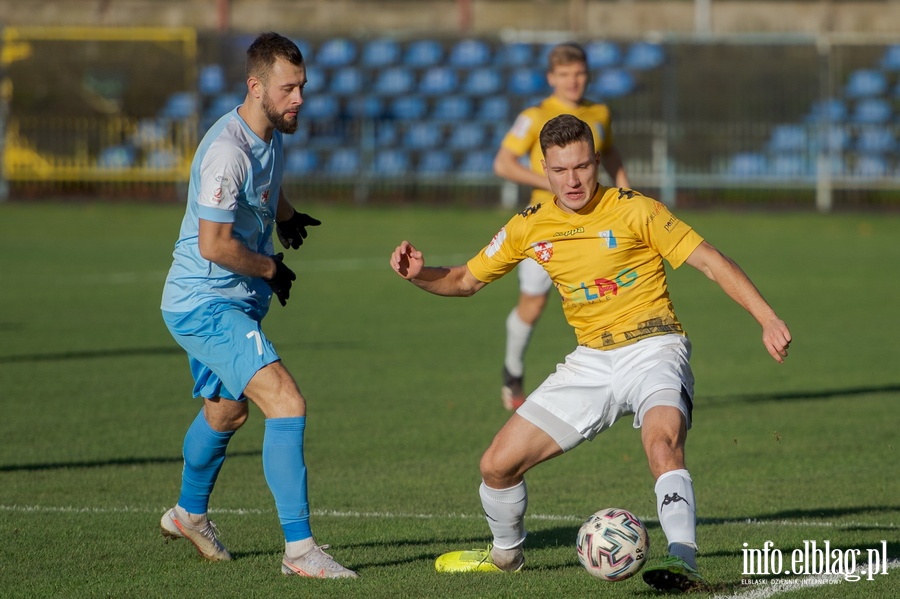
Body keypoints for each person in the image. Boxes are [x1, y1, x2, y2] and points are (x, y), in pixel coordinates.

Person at [389, 114, 791, 593]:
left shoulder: (636, 209)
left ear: (596, 162)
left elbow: (709, 260)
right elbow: (464, 280)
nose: (573, 180)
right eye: (560, 170)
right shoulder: (529, 225)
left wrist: (766, 317)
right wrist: (418, 273)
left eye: (581, 166)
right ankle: (505, 556)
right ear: (545, 169)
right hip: (590, 362)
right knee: (496, 466)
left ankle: (684, 561)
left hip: (653, 345)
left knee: (663, 444)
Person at [159, 32, 357, 579]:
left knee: (227, 411)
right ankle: (301, 552)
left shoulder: (269, 130)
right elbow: (214, 245)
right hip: (205, 303)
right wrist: (272, 266)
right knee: (286, 403)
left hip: (232, 303)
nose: (299, 99)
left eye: (302, 87)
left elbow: (265, 185)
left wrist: (287, 216)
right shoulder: (226, 151)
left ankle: (187, 515)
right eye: (288, 88)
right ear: (255, 86)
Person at [494, 42, 630, 411]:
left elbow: (611, 151)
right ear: (552, 77)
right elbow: (503, 163)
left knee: (609, 294)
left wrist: (626, 189)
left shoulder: (599, 113)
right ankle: (512, 369)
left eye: (580, 73)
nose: (574, 81)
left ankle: (623, 379)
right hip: (545, 228)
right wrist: (545, 179)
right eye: (565, 74)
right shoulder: (535, 115)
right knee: (533, 304)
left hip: (596, 223)